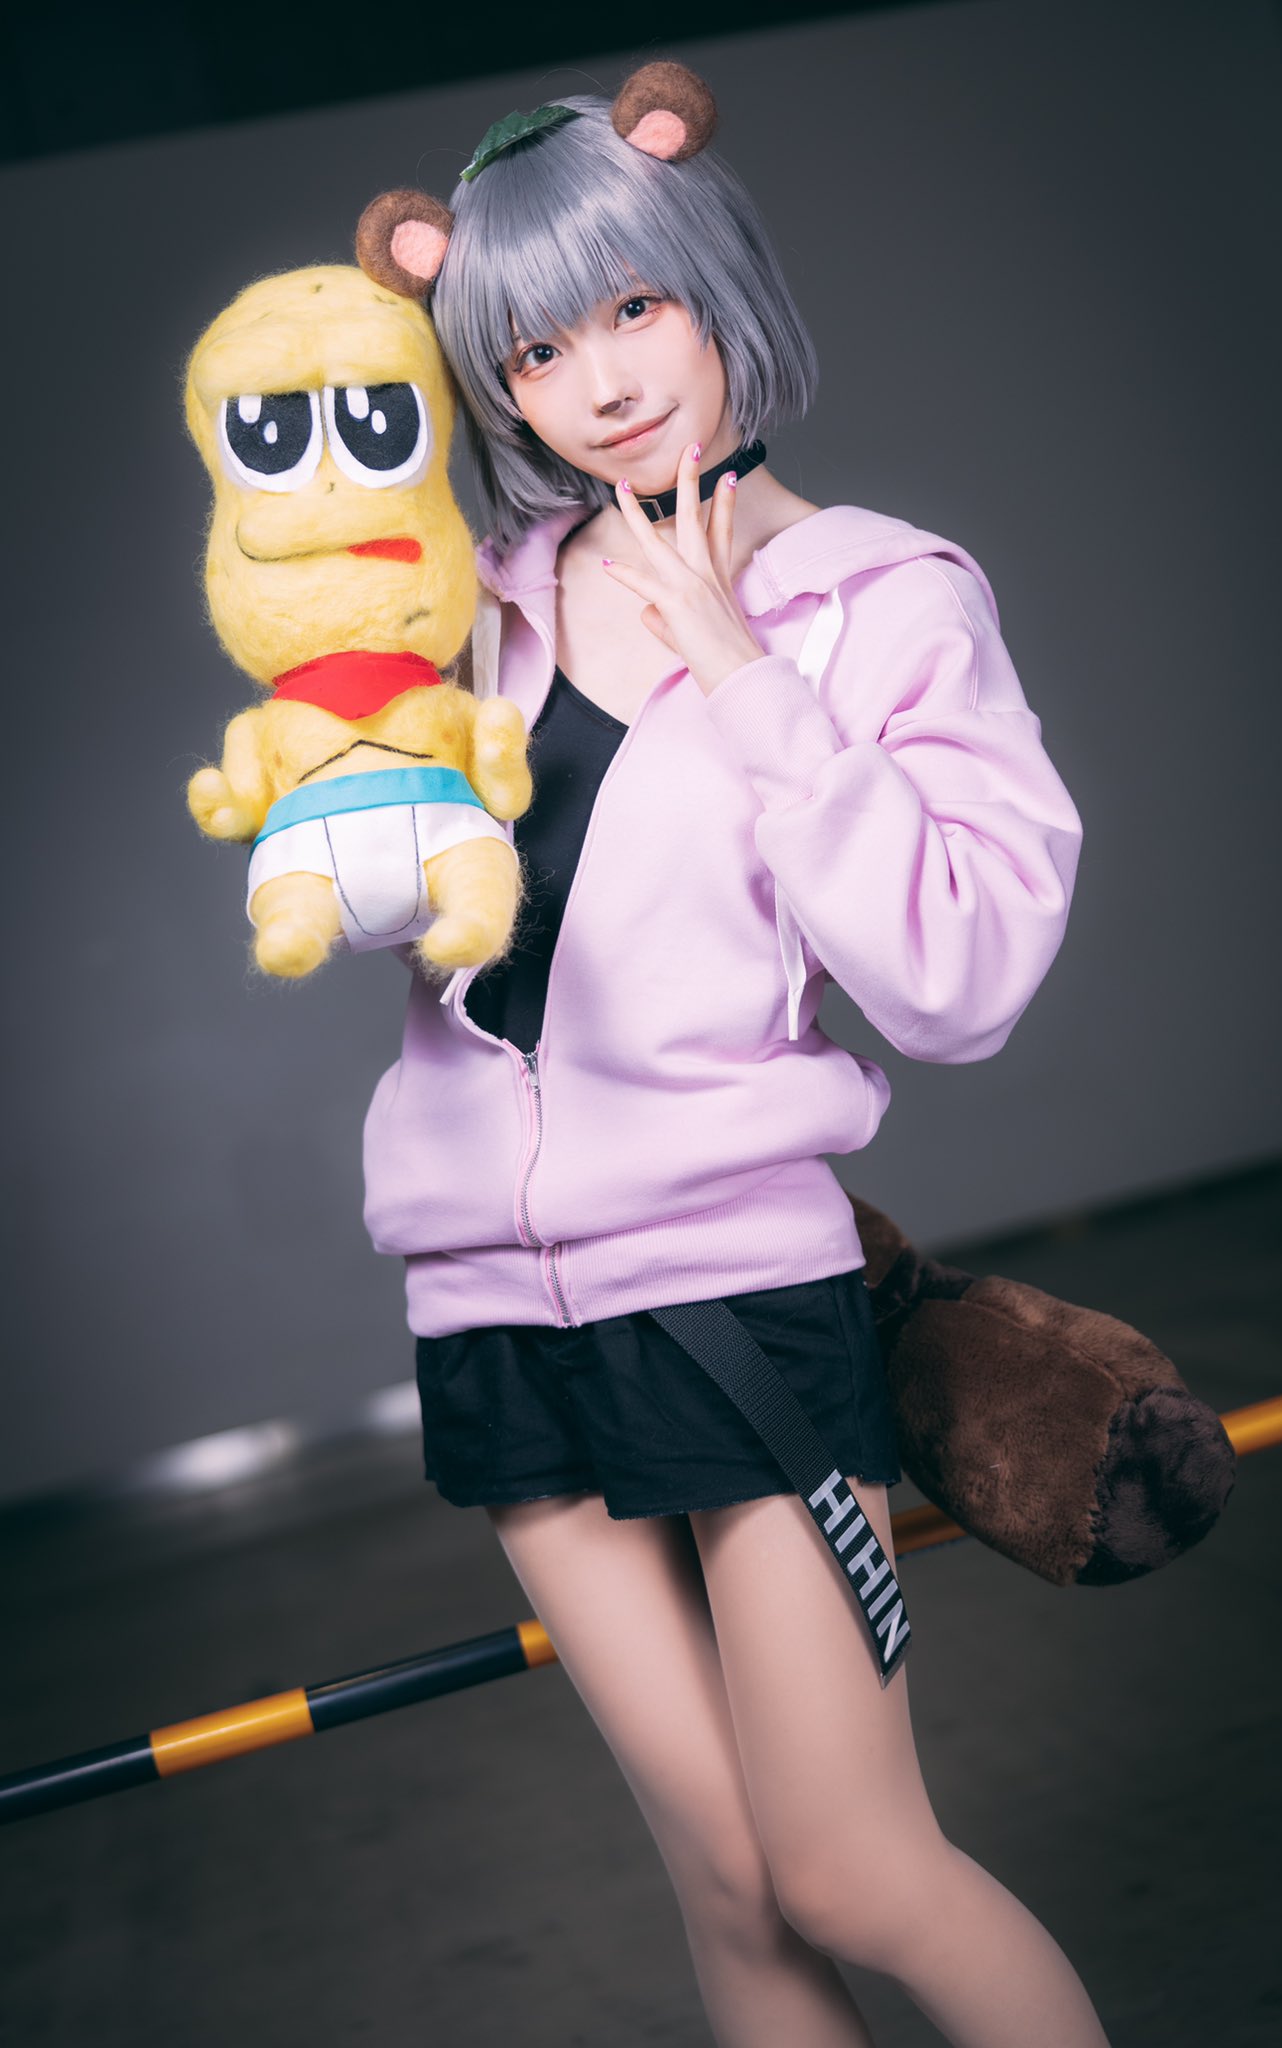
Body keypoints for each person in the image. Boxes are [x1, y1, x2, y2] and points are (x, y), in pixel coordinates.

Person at [358, 63, 1109, 2048]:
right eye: (535, 348)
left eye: (633, 307)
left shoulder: (881, 598)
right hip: (490, 1295)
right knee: (728, 1887)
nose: (599, 381)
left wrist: (748, 677)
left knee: (851, 1869)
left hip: (729, 1297)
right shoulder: (480, 610)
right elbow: (413, 922)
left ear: (715, 288)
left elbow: (962, 973)